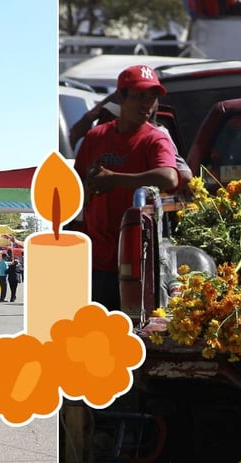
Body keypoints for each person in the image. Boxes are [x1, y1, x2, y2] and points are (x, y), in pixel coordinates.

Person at [74, 64, 180, 311]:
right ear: (121, 97)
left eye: (153, 96)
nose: (148, 104)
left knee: (131, 333)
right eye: (140, 96)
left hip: (136, 260)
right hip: (96, 258)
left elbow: (170, 178)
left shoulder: (155, 138)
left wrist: (116, 179)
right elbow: (78, 184)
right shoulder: (96, 137)